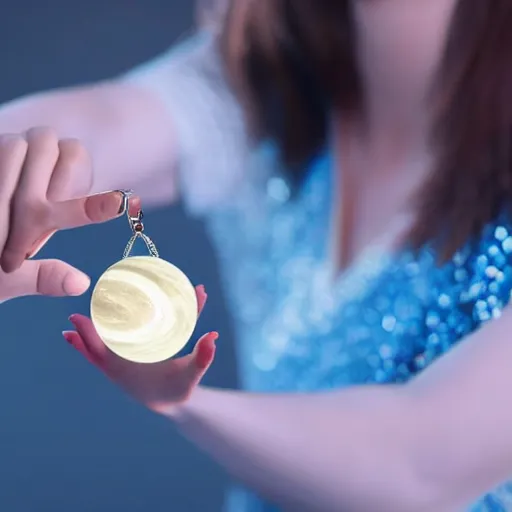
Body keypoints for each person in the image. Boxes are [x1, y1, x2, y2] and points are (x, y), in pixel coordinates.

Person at [1, 0, 512, 510]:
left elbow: (419, 469)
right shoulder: (260, 85)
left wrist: (187, 404)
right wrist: (16, 167)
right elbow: (97, 126)